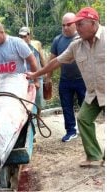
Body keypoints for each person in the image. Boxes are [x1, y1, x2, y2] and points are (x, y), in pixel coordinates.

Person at [26, 7, 104, 167]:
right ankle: (94, 156)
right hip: (94, 93)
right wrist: (36, 74)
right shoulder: (77, 45)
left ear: (94, 23)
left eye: (80, 24)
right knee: (83, 119)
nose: (77, 28)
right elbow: (56, 62)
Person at [46, 13, 86, 142]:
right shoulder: (58, 40)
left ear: (75, 24)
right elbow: (52, 60)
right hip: (65, 80)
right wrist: (48, 78)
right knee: (66, 106)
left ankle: (85, 130)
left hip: (82, 80)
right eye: (63, 25)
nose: (65, 27)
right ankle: (71, 131)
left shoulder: (82, 38)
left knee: (85, 106)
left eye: (68, 24)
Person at [0, 21, 39, 88]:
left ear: (2, 32)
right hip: (2, 84)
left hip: (19, 81)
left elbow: (32, 60)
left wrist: (36, 81)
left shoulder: (17, 42)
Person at [18, 26, 46, 108]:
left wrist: (47, 73)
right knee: (28, 101)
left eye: (24, 36)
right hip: (25, 77)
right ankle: (31, 119)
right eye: (21, 36)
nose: (23, 38)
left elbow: (41, 58)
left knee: (39, 100)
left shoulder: (36, 44)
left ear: (29, 35)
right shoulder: (18, 46)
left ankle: (38, 119)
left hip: (37, 75)